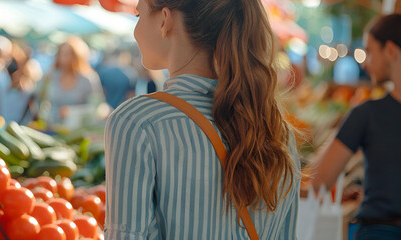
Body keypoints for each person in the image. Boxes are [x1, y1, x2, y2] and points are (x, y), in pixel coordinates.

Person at [105, 0, 300, 239]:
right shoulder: (277, 132)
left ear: (165, 20)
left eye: (138, 15)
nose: (135, 30)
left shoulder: (136, 123)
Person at [310, 14, 401, 240]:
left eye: (369, 51)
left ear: (390, 50)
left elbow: (320, 179)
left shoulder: (366, 114)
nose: (364, 62)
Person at [40, 36, 104, 126]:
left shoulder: (88, 79)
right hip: (51, 128)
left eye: (68, 54)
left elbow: (97, 108)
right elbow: (43, 101)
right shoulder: (52, 75)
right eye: (61, 53)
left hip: (77, 131)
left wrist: (71, 111)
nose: (63, 58)